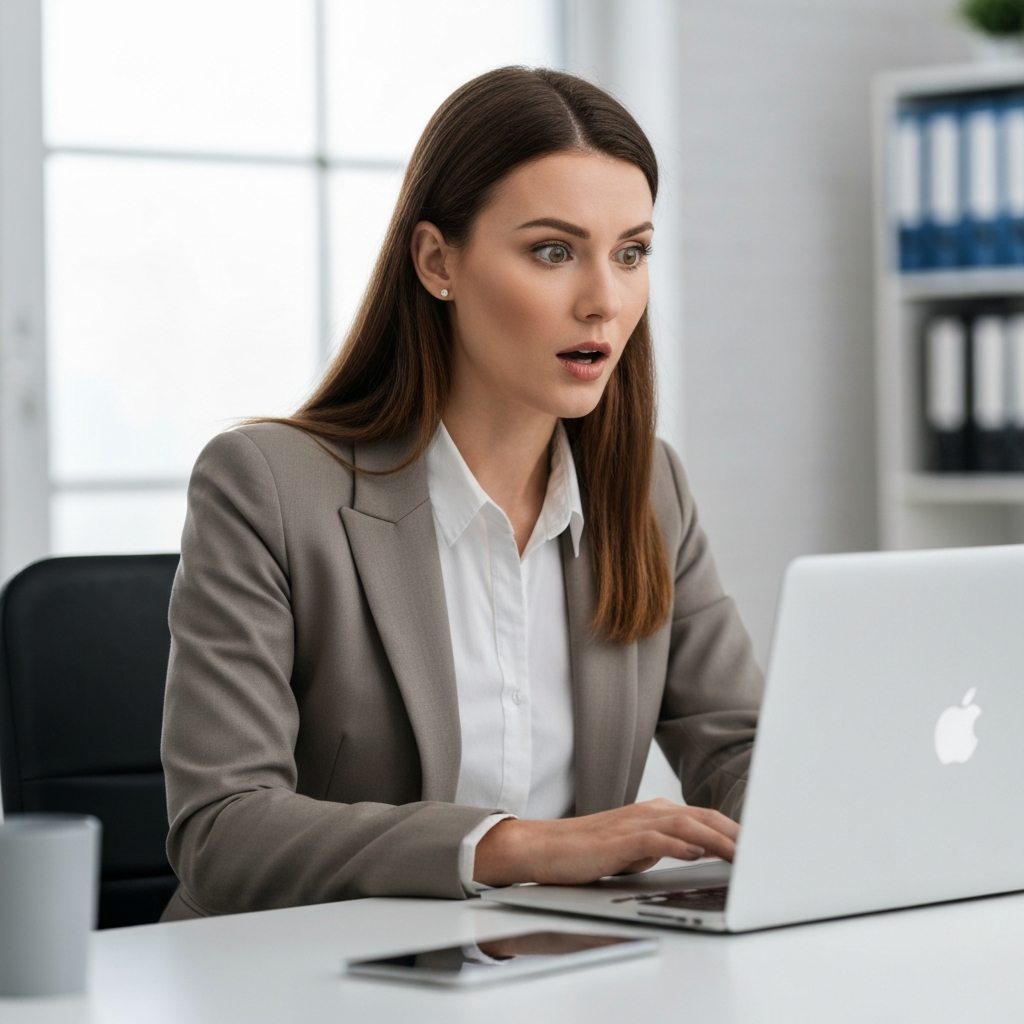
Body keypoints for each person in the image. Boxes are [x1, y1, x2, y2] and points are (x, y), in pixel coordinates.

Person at [159, 66, 762, 922]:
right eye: (553, 251)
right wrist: (520, 846)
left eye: (631, 252)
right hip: (308, 977)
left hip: (556, 968)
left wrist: (819, 813)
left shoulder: (647, 487)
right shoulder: (266, 488)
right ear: (438, 260)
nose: (604, 300)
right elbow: (222, 830)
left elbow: (736, 743)